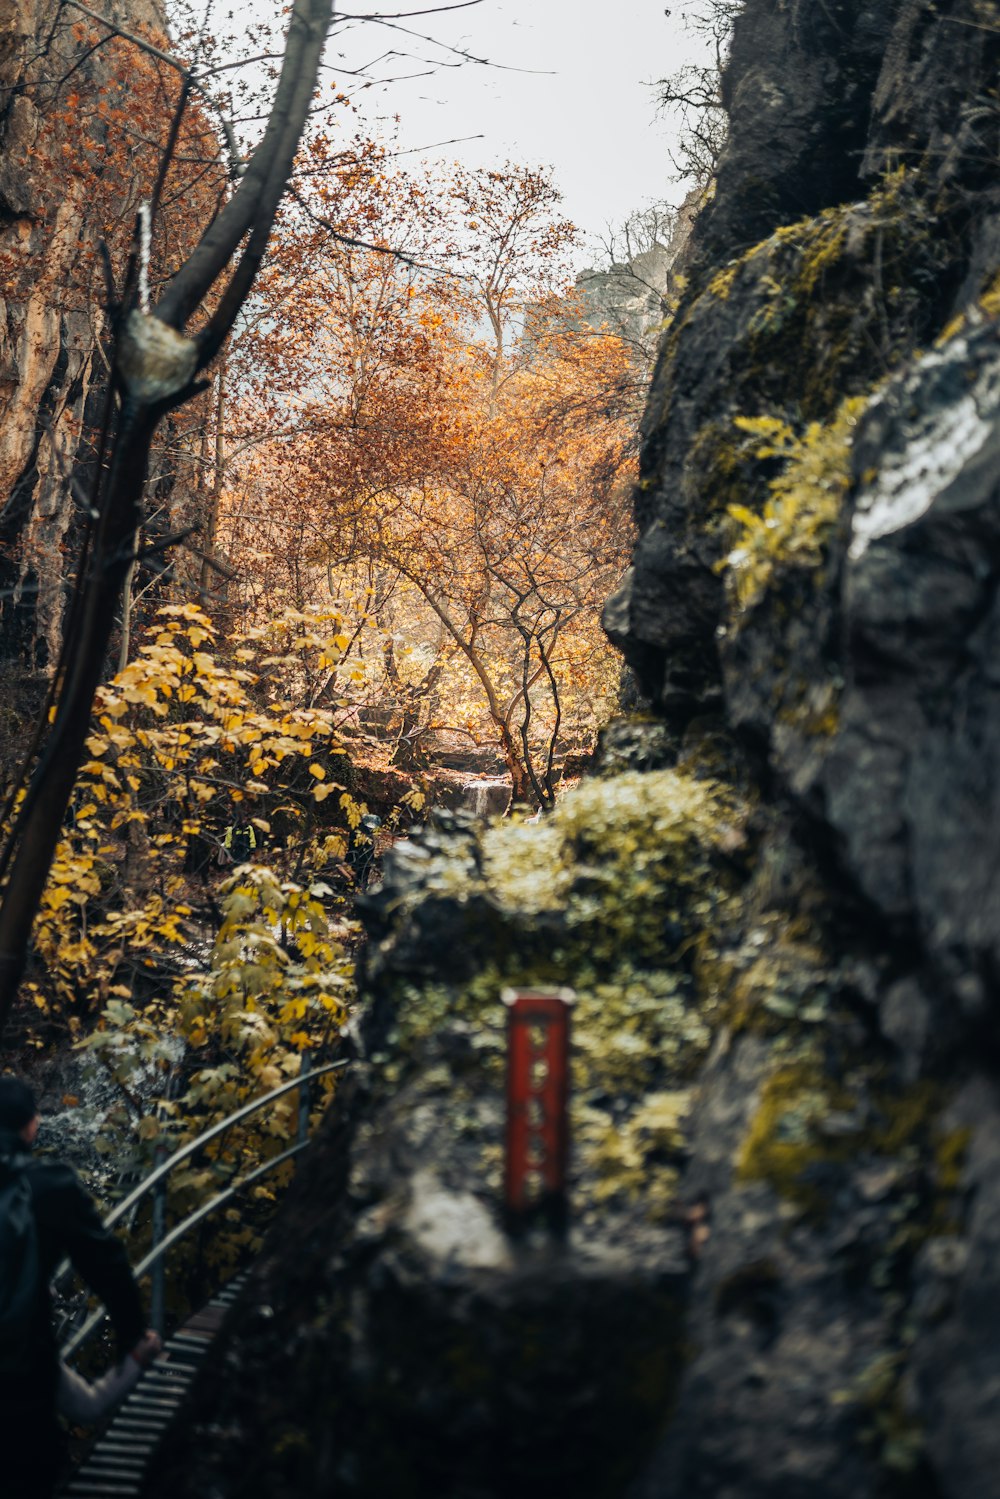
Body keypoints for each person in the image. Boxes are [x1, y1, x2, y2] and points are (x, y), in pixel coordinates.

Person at [0, 1077, 160, 1498]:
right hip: (22, 1372)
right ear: (32, 1126)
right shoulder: (50, 1184)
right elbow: (106, 1264)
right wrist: (131, 1336)